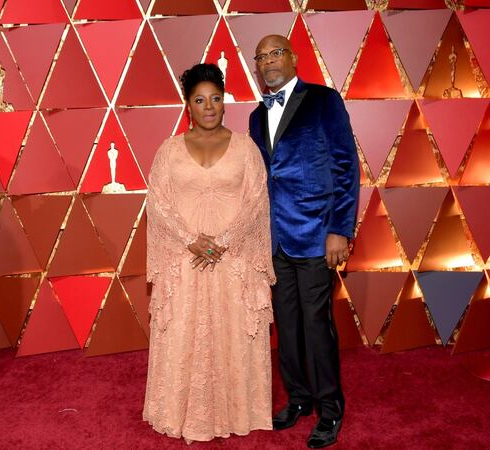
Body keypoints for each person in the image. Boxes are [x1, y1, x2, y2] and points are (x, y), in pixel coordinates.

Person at [143, 63, 275, 443]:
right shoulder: (168, 151)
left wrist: (226, 239)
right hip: (186, 261)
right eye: (200, 100)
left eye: (215, 99)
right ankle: (180, 411)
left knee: (233, 333)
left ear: (224, 102)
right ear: (188, 105)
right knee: (186, 332)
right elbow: (159, 204)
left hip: (233, 263)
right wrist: (190, 239)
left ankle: (239, 410)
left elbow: (256, 201)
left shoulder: (246, 148)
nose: (209, 107)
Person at [248, 35, 359, 449]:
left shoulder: (324, 100)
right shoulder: (256, 117)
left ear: (294, 59)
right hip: (274, 241)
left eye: (275, 53)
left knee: (316, 326)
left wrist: (340, 229)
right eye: (261, 57)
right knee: (287, 328)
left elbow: (346, 166)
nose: (268, 61)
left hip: (317, 235)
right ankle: (299, 399)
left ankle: (330, 409)